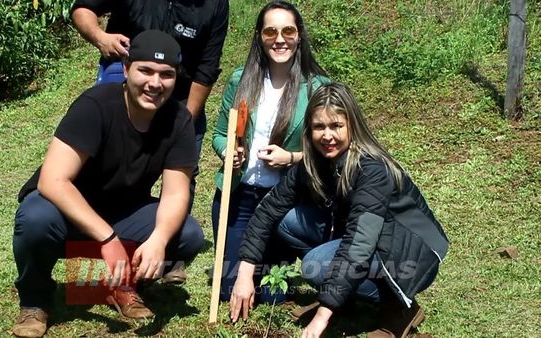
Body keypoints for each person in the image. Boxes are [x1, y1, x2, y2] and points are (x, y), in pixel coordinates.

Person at [11, 30, 204, 338]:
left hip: (125, 210)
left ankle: (124, 285)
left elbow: (177, 193)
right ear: (126, 69)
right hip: (67, 210)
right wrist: (108, 239)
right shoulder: (96, 105)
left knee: (188, 235)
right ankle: (34, 299)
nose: (155, 83)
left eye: (166, 75)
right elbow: (53, 180)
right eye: (146, 70)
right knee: (34, 218)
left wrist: (158, 239)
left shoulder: (178, 119)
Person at [229, 83, 449, 338]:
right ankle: (342, 299)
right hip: (373, 241)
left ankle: (397, 306)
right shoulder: (316, 162)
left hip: (412, 253)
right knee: (288, 221)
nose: (327, 136)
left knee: (317, 265)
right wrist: (244, 275)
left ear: (351, 125)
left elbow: (359, 244)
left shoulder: (372, 170)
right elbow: (268, 210)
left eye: (336, 126)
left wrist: (321, 318)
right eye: (319, 127)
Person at [211, 0, 329, 302]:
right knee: (228, 290)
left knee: (271, 296)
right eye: (270, 32)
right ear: (259, 37)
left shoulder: (317, 88)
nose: (279, 39)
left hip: (283, 202)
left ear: (299, 35)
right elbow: (221, 135)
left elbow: (331, 151)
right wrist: (229, 153)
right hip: (238, 196)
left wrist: (290, 158)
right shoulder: (240, 80)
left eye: (288, 31)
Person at [71, 0, 229, 212]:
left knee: (182, 178)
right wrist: (101, 37)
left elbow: (207, 67)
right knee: (103, 166)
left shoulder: (215, 4)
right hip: (124, 92)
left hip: (179, 96)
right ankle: (95, 228)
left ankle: (169, 240)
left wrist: (185, 123)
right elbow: (83, 8)